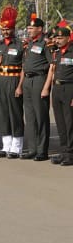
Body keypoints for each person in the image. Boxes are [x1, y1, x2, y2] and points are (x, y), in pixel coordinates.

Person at [21, 15, 53, 161]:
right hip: (27, 81)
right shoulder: (28, 44)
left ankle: (42, 150)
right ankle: (32, 149)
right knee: (30, 117)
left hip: (39, 79)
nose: (29, 30)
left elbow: (52, 64)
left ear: (40, 29)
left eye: (31, 28)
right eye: (28, 28)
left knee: (41, 116)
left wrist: (46, 87)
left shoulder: (46, 44)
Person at [0, 6, 24, 159]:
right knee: (3, 113)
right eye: (4, 29)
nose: (6, 31)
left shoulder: (20, 45)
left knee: (15, 113)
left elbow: (23, 68)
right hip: (1, 81)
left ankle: (17, 146)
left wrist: (19, 86)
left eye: (9, 29)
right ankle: (6, 146)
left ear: (13, 28)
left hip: (14, 80)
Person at [48, 23, 73, 166]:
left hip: (69, 88)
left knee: (70, 123)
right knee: (60, 122)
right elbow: (53, 72)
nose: (57, 40)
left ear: (68, 38)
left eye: (60, 38)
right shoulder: (56, 53)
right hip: (57, 89)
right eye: (56, 38)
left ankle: (70, 154)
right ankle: (63, 152)